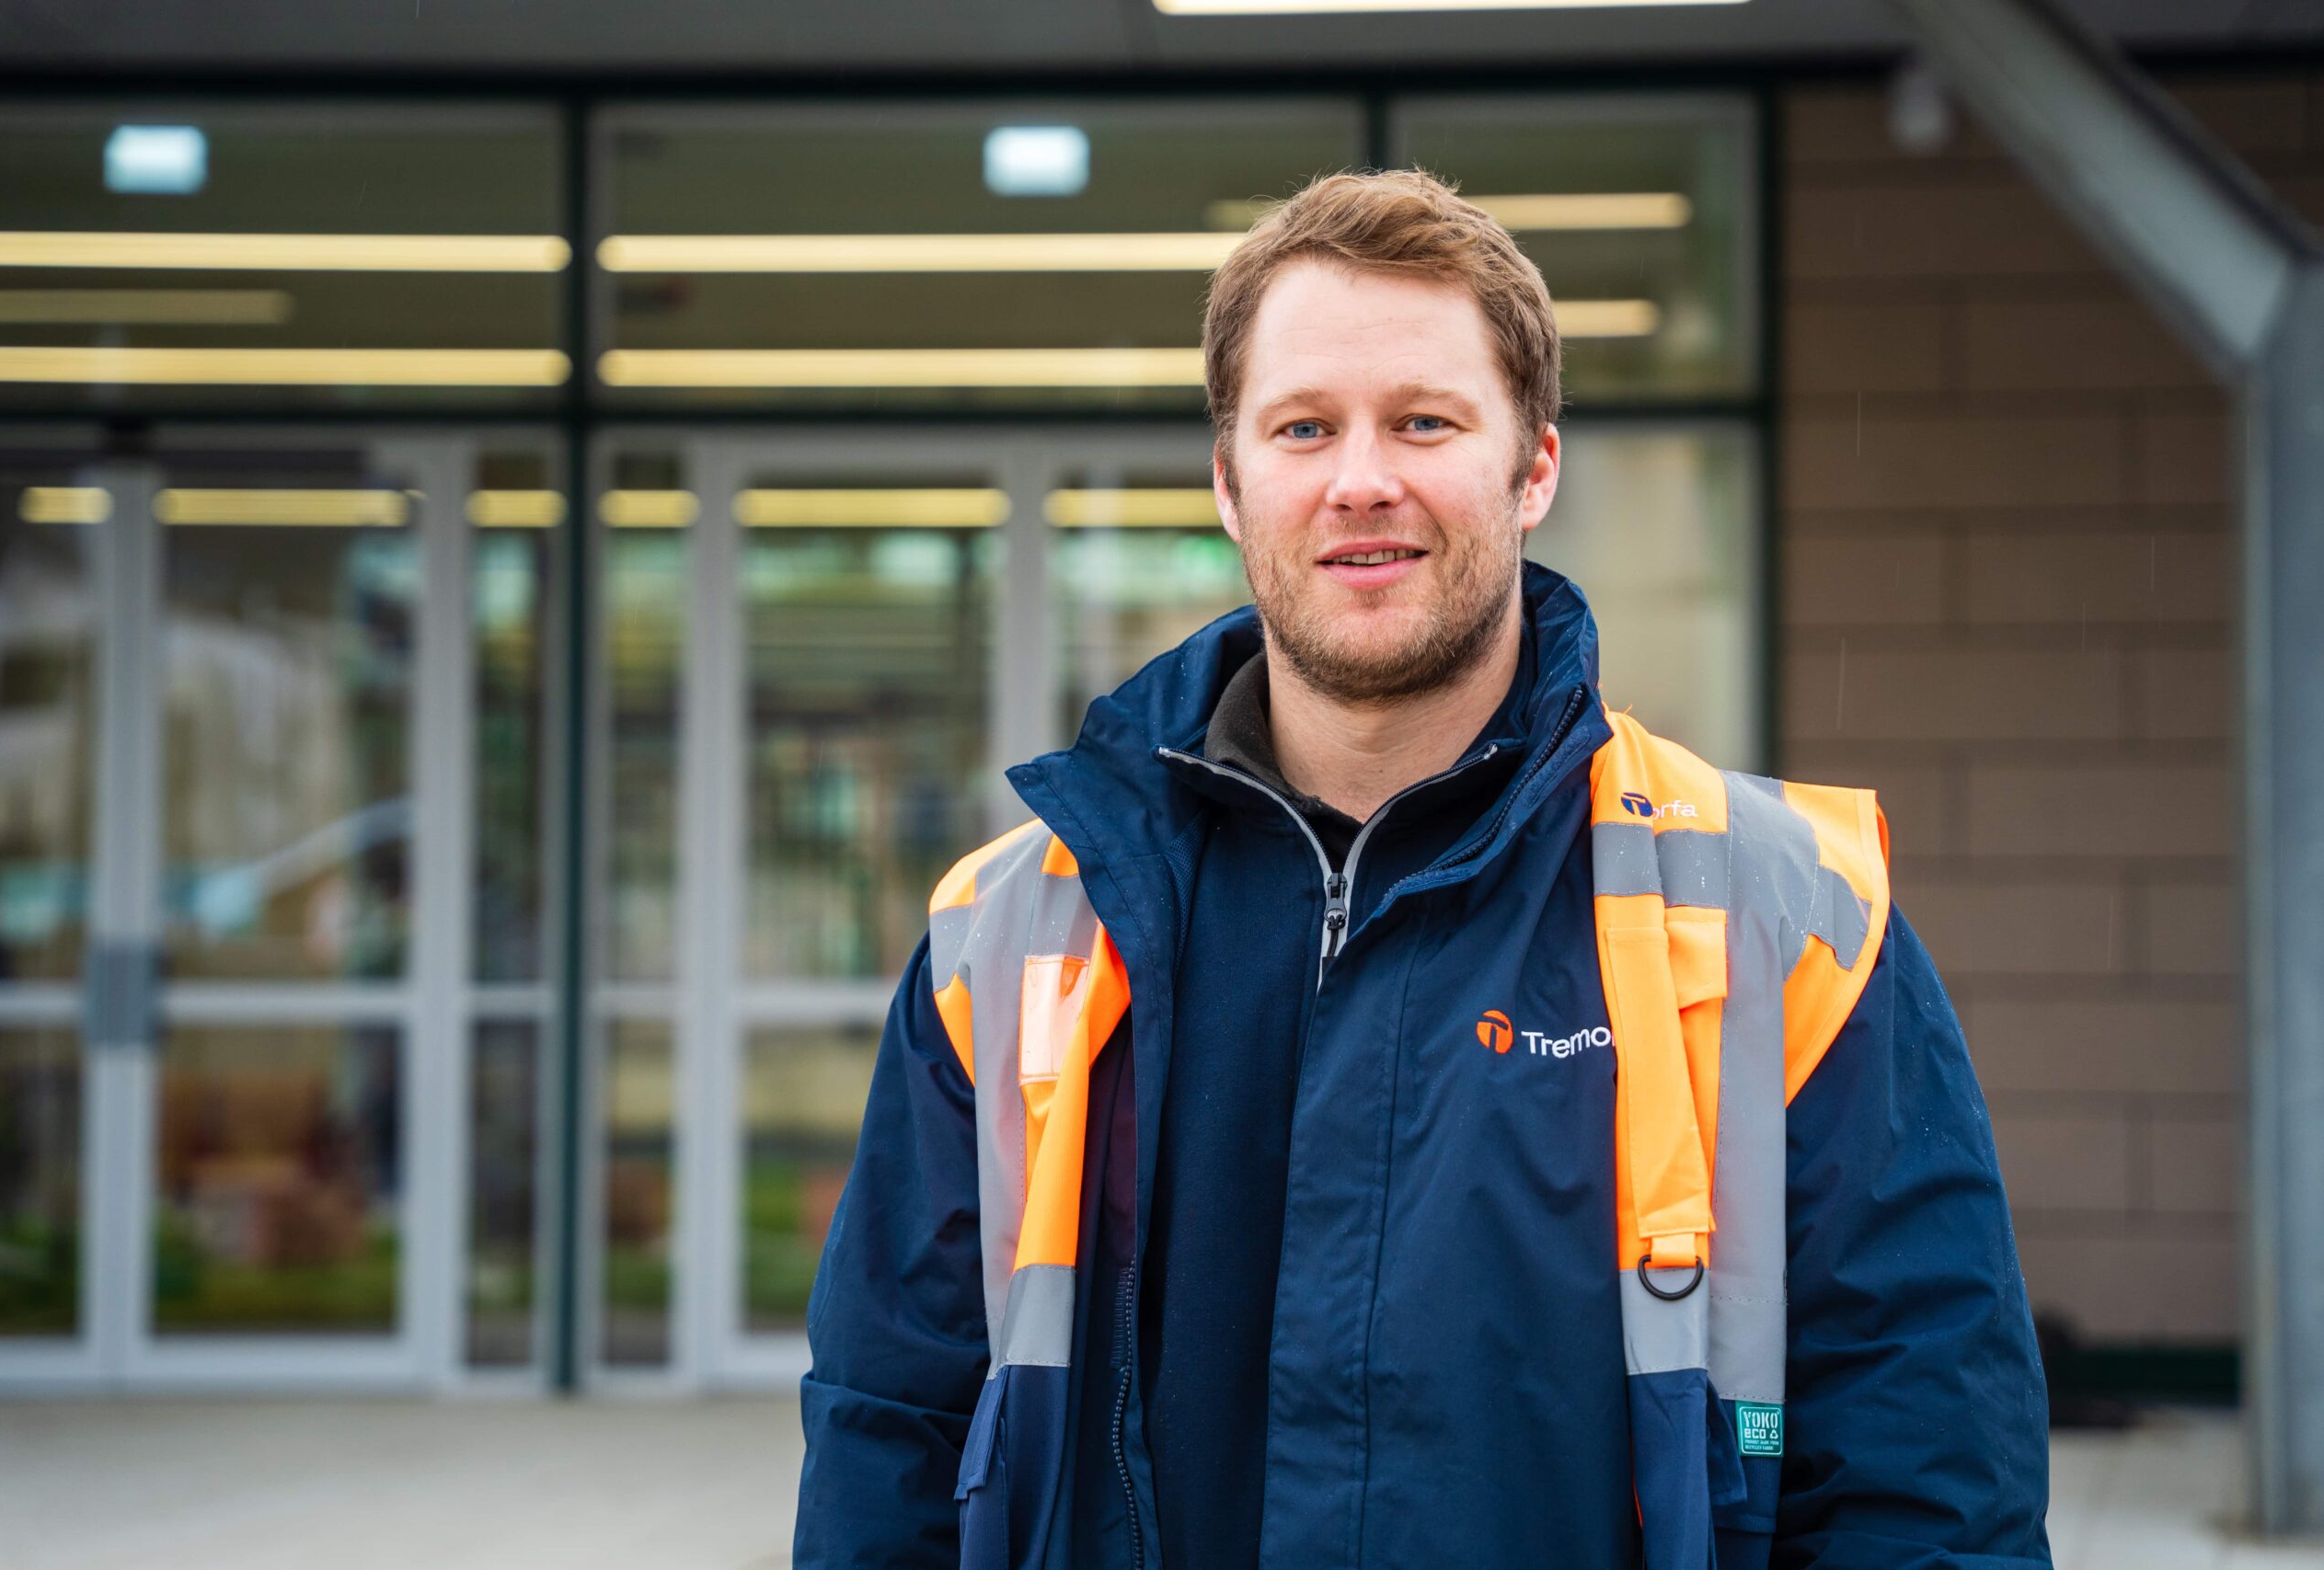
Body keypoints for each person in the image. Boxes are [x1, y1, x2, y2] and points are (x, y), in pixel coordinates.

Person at [794, 168, 2052, 1570]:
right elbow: (886, 1435)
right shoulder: (1012, 932)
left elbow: (1924, 1482)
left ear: (1536, 467)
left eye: (1425, 422)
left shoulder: (1788, 922)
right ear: (1228, 479)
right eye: (1304, 427)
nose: (1361, 479)